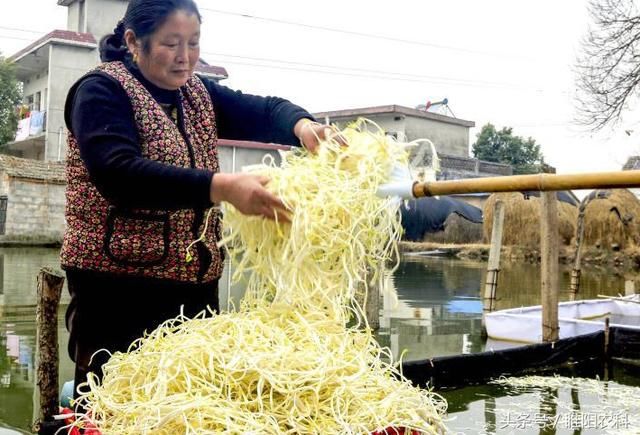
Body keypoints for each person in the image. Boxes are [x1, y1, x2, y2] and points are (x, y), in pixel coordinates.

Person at [61, 0, 329, 397]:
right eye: (171, 44)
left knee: (192, 398)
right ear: (135, 41)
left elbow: (265, 110)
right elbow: (118, 173)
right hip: (117, 289)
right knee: (121, 402)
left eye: (194, 43)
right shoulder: (101, 91)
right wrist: (222, 187)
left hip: (194, 284)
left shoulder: (195, 93)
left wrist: (302, 125)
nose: (185, 58)